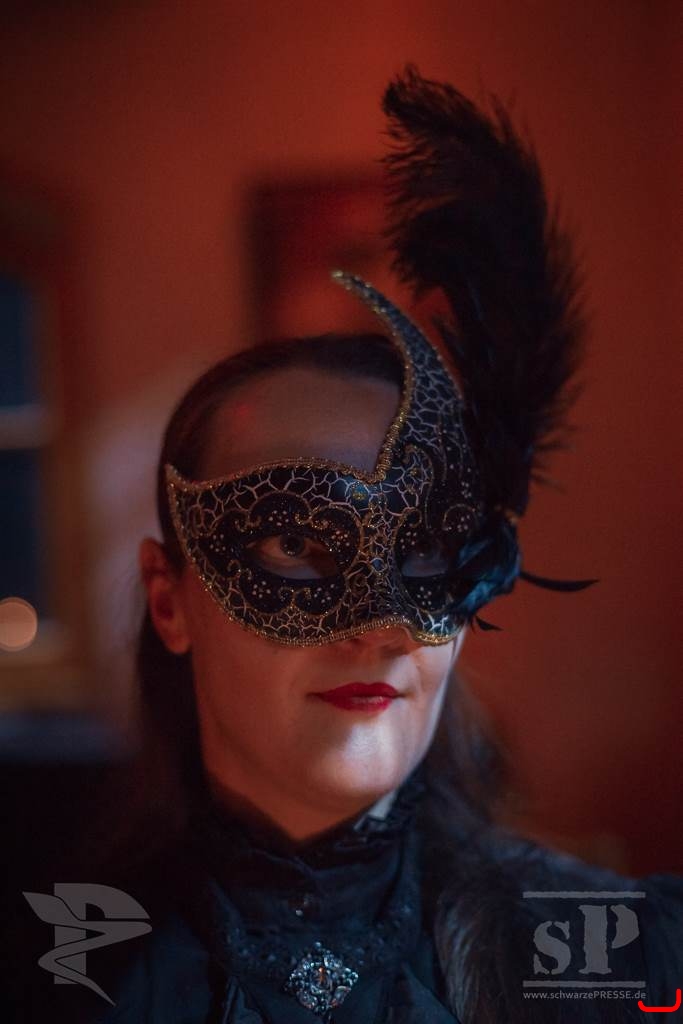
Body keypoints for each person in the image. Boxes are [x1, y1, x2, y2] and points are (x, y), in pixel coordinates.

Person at [13, 67, 683, 1024]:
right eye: (296, 539)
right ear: (169, 599)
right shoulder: (56, 969)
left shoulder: (615, 957)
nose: (382, 628)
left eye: (429, 544)